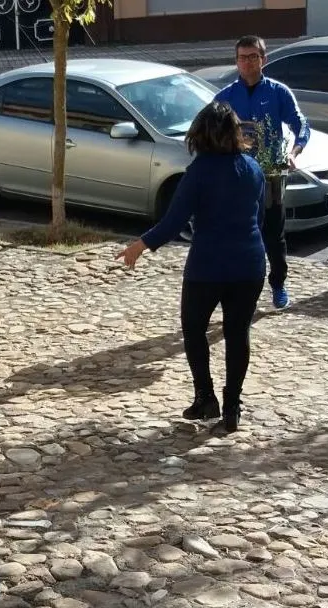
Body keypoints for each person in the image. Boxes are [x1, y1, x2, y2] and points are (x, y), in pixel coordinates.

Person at [116, 102, 266, 434]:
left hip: (208, 266)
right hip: (250, 263)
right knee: (237, 333)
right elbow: (260, 217)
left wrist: (140, 246)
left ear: (199, 134)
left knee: (194, 329)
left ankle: (205, 397)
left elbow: (173, 222)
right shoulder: (252, 168)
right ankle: (232, 406)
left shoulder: (199, 172)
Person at [214, 34, 310, 310]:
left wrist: (294, 152)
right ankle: (239, 289)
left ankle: (278, 284)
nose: (248, 62)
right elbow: (209, 132)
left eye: (253, 56)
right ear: (236, 61)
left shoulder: (278, 92)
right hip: (237, 179)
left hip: (270, 177)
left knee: (273, 238)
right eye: (242, 57)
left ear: (263, 59)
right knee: (239, 237)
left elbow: (301, 124)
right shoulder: (225, 98)